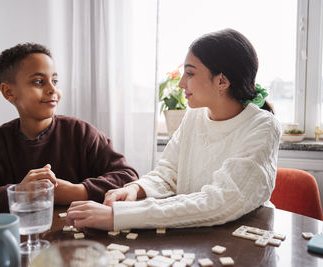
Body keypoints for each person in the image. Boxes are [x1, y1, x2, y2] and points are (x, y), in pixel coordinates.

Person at [66, 28, 281, 231]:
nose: (181, 83)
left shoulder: (262, 126)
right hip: (195, 236)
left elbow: (221, 202)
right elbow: (168, 174)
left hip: (244, 240)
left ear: (222, 81)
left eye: (190, 73)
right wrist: (134, 189)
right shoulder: (194, 116)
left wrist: (120, 217)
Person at [0, 43, 138, 220]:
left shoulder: (81, 133)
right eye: (39, 82)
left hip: (81, 239)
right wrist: (19, 193)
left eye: (55, 81)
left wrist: (76, 191)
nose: (52, 89)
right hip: (23, 243)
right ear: (9, 92)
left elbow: (127, 176)